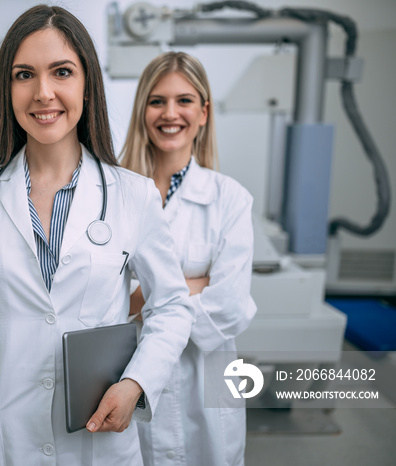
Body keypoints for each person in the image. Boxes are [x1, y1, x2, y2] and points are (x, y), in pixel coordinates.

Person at [0, 6, 196, 465]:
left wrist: (136, 383)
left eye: (62, 72)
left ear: (87, 85)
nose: (43, 93)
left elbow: (171, 306)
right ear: (6, 88)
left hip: (96, 440)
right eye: (24, 74)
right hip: (3, 438)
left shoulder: (131, 196)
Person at [120, 51, 257, 466]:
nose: (170, 113)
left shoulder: (229, 198)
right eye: (157, 101)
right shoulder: (115, 194)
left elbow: (231, 307)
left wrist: (145, 296)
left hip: (206, 384)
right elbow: (97, 299)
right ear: (143, 110)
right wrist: (194, 285)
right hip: (132, 376)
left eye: (184, 101)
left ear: (203, 112)